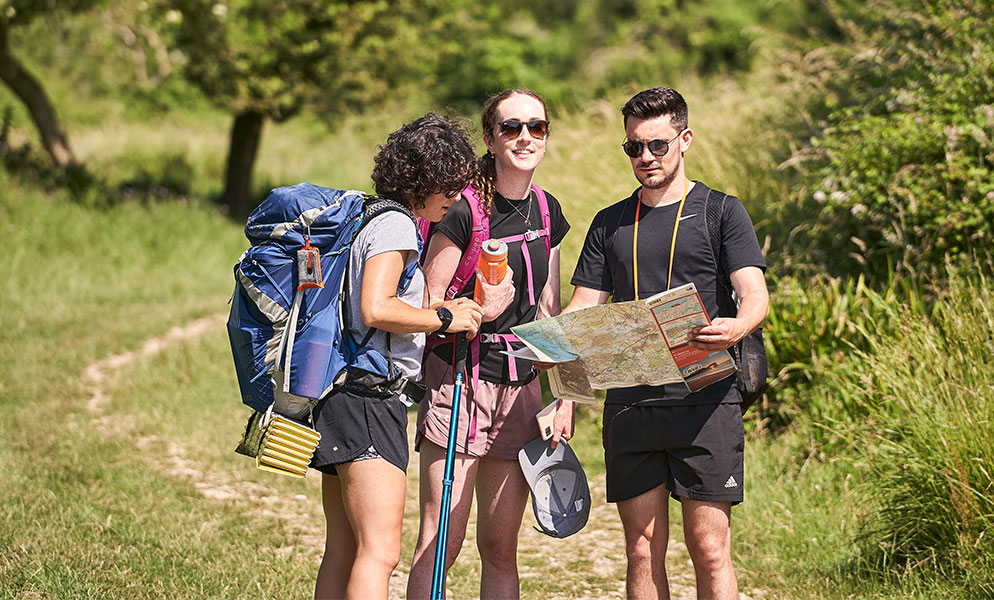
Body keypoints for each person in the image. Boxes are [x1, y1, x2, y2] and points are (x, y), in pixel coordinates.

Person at [553, 87, 769, 600]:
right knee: (642, 550)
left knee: (709, 549)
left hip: (707, 402)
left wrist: (738, 328)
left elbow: (754, 295)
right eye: (633, 148)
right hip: (631, 405)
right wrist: (561, 381)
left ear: (685, 139)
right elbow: (584, 309)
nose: (645, 157)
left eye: (658, 145)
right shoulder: (609, 222)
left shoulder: (722, 211)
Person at [310, 114, 485, 600]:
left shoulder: (369, 215)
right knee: (381, 551)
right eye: (449, 182)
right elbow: (377, 307)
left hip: (339, 393)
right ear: (423, 179)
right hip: (368, 399)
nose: (455, 194)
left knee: (344, 548)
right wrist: (445, 317)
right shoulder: (395, 226)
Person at [406, 89, 572, 599]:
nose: (525, 137)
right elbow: (428, 309)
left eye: (536, 127)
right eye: (511, 128)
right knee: (441, 543)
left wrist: (563, 395)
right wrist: (483, 308)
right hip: (459, 380)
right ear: (490, 138)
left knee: (501, 548)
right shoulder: (462, 210)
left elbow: (550, 315)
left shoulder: (547, 211)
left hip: (520, 389)